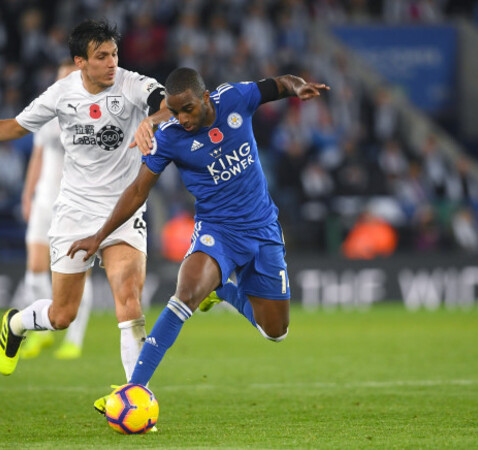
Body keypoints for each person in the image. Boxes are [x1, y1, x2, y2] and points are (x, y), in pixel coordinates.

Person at [67, 67, 329, 413]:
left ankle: (223, 291)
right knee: (185, 296)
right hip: (217, 232)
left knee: (276, 332)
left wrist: (299, 88)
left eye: (187, 109)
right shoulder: (170, 138)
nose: (182, 119)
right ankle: (133, 389)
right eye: (174, 112)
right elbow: (137, 191)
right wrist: (100, 236)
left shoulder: (235, 98)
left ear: (204, 98)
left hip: (263, 230)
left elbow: (279, 84)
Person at [0, 20, 171, 380]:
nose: (112, 62)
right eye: (102, 56)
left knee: (129, 299)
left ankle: (135, 392)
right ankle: (16, 324)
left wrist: (152, 121)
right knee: (62, 315)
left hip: (124, 209)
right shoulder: (61, 93)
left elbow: (168, 104)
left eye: (114, 54)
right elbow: (18, 125)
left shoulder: (132, 83)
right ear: (80, 62)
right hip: (75, 211)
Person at [19, 61, 92, 360]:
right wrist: (27, 194)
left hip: (75, 205)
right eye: (61, 78)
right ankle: (40, 333)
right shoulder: (46, 112)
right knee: (34, 268)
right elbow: (37, 156)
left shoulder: (92, 117)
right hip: (44, 201)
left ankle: (74, 340)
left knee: (76, 272)